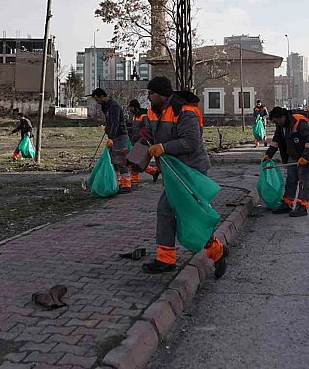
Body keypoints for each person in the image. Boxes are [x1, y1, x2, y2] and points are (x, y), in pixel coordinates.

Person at [142, 76, 228, 278]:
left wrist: (163, 147)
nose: (149, 97)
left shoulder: (185, 111)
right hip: (175, 172)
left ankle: (217, 252)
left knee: (190, 214)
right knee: (167, 210)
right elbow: (149, 136)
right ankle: (166, 259)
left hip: (192, 171)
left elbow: (190, 142)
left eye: (152, 94)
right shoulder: (155, 111)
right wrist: (137, 154)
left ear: (162, 95)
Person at [263, 106, 309, 217]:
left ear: (283, 117)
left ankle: (302, 206)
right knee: (291, 179)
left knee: (304, 180)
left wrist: (306, 157)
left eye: (277, 120)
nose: (277, 123)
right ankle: (287, 203)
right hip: (294, 155)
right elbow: (276, 141)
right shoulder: (281, 126)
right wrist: (268, 154)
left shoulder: (299, 122)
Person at [91, 88, 132, 194]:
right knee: (114, 161)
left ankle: (126, 184)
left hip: (120, 136)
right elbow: (109, 122)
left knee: (120, 159)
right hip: (113, 136)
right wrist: (107, 130)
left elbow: (115, 123)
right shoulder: (105, 106)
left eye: (97, 99)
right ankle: (116, 184)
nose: (97, 102)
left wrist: (111, 137)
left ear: (102, 96)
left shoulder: (114, 106)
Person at [128, 99, 159, 186]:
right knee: (137, 161)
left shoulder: (143, 116)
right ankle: (153, 172)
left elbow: (147, 129)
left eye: (131, 107)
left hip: (142, 141)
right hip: (135, 141)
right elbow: (134, 128)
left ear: (135, 107)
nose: (130, 110)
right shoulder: (135, 117)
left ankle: (134, 179)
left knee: (134, 160)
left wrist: (143, 139)